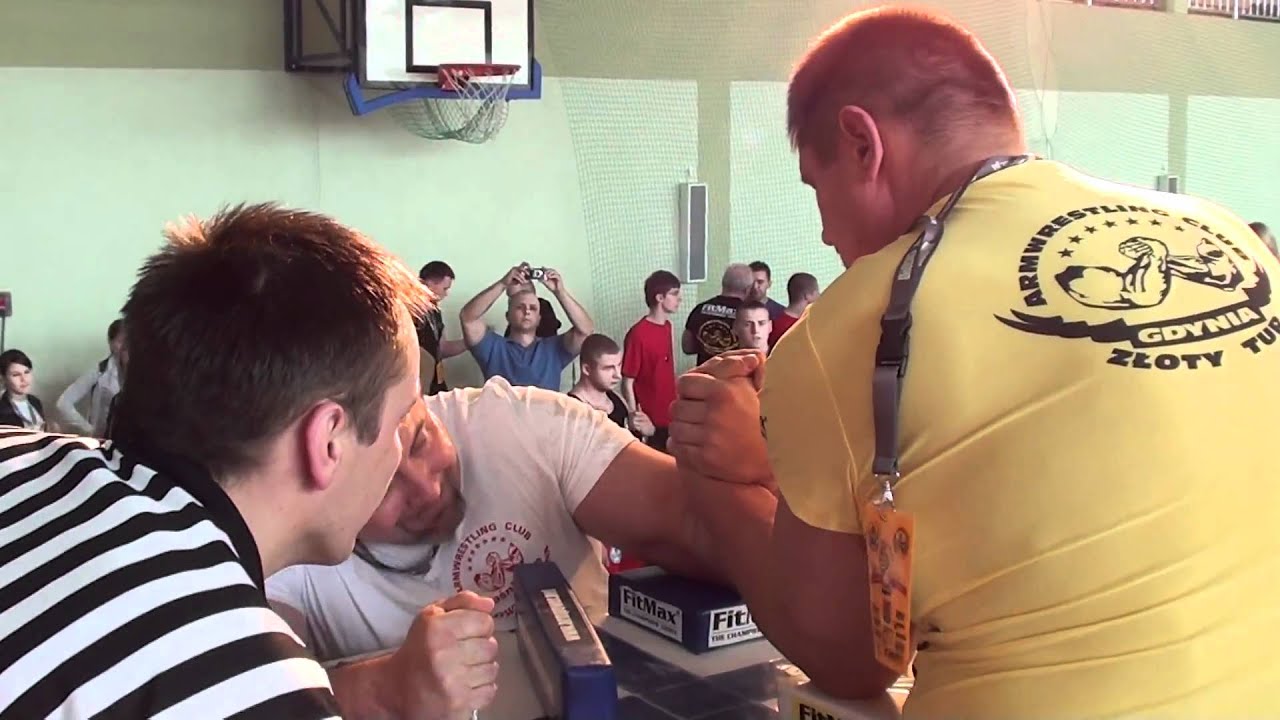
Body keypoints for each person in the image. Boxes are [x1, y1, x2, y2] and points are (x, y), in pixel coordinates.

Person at [670, 7, 1279, 718]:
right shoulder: (1227, 238)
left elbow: (852, 659)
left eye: (816, 188)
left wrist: (726, 480)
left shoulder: (852, 325)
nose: (826, 231)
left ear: (863, 144)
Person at [0, 204, 499, 720]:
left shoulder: (14, 450)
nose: (401, 458)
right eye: (400, 423)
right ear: (328, 442)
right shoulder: (249, 688)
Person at [266, 376, 718, 663]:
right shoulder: (278, 528)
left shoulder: (523, 426)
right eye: (383, 484)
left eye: (421, 440)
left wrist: (740, 471)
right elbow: (259, 696)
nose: (427, 489)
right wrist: (380, 693)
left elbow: (711, 536)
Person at [461, 264, 593, 391]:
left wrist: (560, 292)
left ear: (539, 318)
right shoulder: (493, 348)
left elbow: (585, 330)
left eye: (533, 308)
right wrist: (502, 283)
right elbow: (468, 318)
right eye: (520, 307)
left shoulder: (553, 349)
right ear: (508, 316)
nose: (527, 311)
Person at [621, 270, 681, 449]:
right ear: (659, 298)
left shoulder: (668, 327)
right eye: (674, 294)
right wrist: (634, 415)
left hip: (670, 414)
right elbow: (627, 381)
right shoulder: (638, 334)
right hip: (650, 419)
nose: (679, 299)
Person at [569, 333, 654, 438]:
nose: (618, 375)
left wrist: (645, 431)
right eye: (608, 368)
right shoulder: (572, 410)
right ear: (587, 369)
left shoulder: (617, 399)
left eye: (619, 365)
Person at [56, 318, 127, 435]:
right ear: (111, 343)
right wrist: (87, 429)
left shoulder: (143, 374)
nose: (125, 347)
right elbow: (63, 403)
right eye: (120, 341)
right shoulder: (99, 371)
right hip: (103, 438)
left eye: (130, 342)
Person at [683, 263, 752, 365]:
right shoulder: (748, 314)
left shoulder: (700, 309)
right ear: (747, 289)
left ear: (723, 283)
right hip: (736, 372)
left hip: (705, 372)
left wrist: (709, 349)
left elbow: (687, 347)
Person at [416, 261, 467, 395]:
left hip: (436, 383)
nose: (446, 294)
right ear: (429, 283)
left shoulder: (435, 312)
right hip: (417, 385)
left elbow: (442, 348)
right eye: (445, 289)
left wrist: (471, 341)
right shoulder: (410, 311)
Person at [769, 272, 819, 349]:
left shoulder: (773, 325)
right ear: (807, 296)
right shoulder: (808, 325)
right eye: (817, 292)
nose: (819, 296)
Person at [0, 348, 46, 430]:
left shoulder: (35, 401)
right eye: (16, 375)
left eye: (26, 372)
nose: (24, 379)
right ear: (3, 378)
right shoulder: (2, 409)